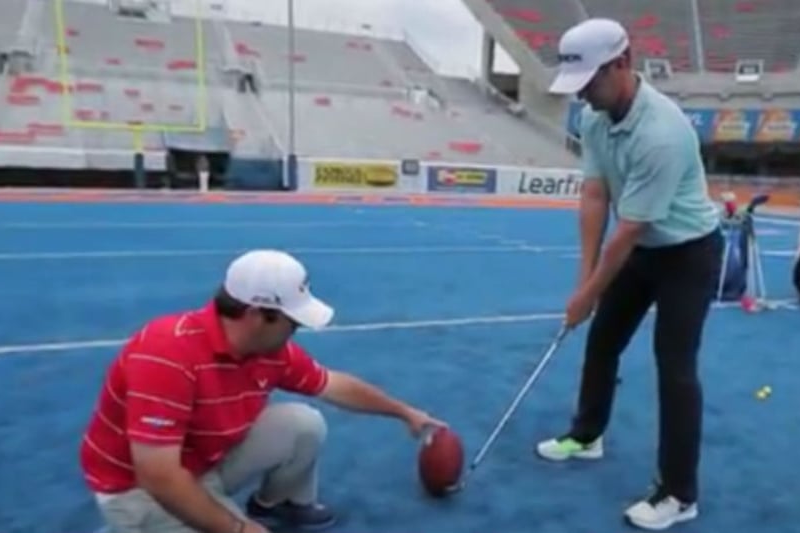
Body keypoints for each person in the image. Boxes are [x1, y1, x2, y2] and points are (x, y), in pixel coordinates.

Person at [79, 249, 446, 533]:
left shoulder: (270, 349)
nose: (296, 330)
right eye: (293, 321)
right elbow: (156, 475)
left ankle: (275, 505)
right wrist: (236, 529)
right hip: (139, 488)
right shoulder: (167, 352)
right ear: (257, 314)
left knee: (304, 424)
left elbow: (334, 385)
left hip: (201, 462)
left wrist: (404, 411)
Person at [536, 17, 724, 531]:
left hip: (688, 253)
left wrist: (592, 290)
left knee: (675, 367)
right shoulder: (595, 118)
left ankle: (679, 494)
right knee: (602, 342)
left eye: (589, 82)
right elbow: (596, 195)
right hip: (642, 248)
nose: (582, 96)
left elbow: (630, 231)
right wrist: (584, 285)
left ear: (623, 64)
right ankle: (587, 433)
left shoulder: (662, 133)